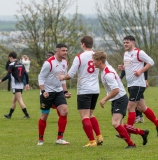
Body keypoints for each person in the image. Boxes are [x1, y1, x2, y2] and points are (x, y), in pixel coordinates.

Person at [92, 51, 149, 149]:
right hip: (116, 99)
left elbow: (116, 90)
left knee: (115, 123)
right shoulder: (105, 67)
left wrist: (104, 99)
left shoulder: (108, 74)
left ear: (100, 62)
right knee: (121, 125)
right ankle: (142, 132)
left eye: (94, 61)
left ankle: (131, 144)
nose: (93, 63)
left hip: (120, 99)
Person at [59, 35, 103, 147]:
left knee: (84, 116)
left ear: (83, 44)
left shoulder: (79, 57)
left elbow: (70, 75)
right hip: (95, 89)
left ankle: (92, 141)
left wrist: (62, 77)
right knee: (91, 114)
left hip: (84, 90)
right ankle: (99, 136)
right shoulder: (97, 56)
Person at [118, 35, 158, 136]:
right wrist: (123, 68)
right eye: (124, 43)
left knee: (130, 108)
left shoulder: (139, 52)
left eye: (127, 42)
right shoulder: (126, 54)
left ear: (133, 43)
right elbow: (130, 66)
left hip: (138, 84)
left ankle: (128, 132)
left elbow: (151, 62)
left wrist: (140, 71)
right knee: (142, 108)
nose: (125, 44)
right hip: (131, 84)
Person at [37, 44, 71, 146]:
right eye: (63, 51)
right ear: (57, 51)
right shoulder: (49, 63)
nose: (65, 52)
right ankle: (41, 139)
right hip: (47, 93)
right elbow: (41, 77)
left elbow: (62, 79)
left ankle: (60, 138)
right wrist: (43, 91)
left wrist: (65, 91)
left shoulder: (65, 62)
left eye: (66, 50)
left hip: (58, 92)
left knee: (64, 111)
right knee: (44, 116)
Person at [0, 52, 30, 119]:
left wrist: (1, 80)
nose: (9, 60)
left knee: (19, 100)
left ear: (11, 57)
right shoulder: (21, 64)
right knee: (13, 100)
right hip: (20, 85)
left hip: (15, 85)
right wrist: (27, 83)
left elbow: (8, 75)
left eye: (9, 58)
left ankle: (27, 115)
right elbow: (26, 75)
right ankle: (9, 115)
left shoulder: (11, 65)